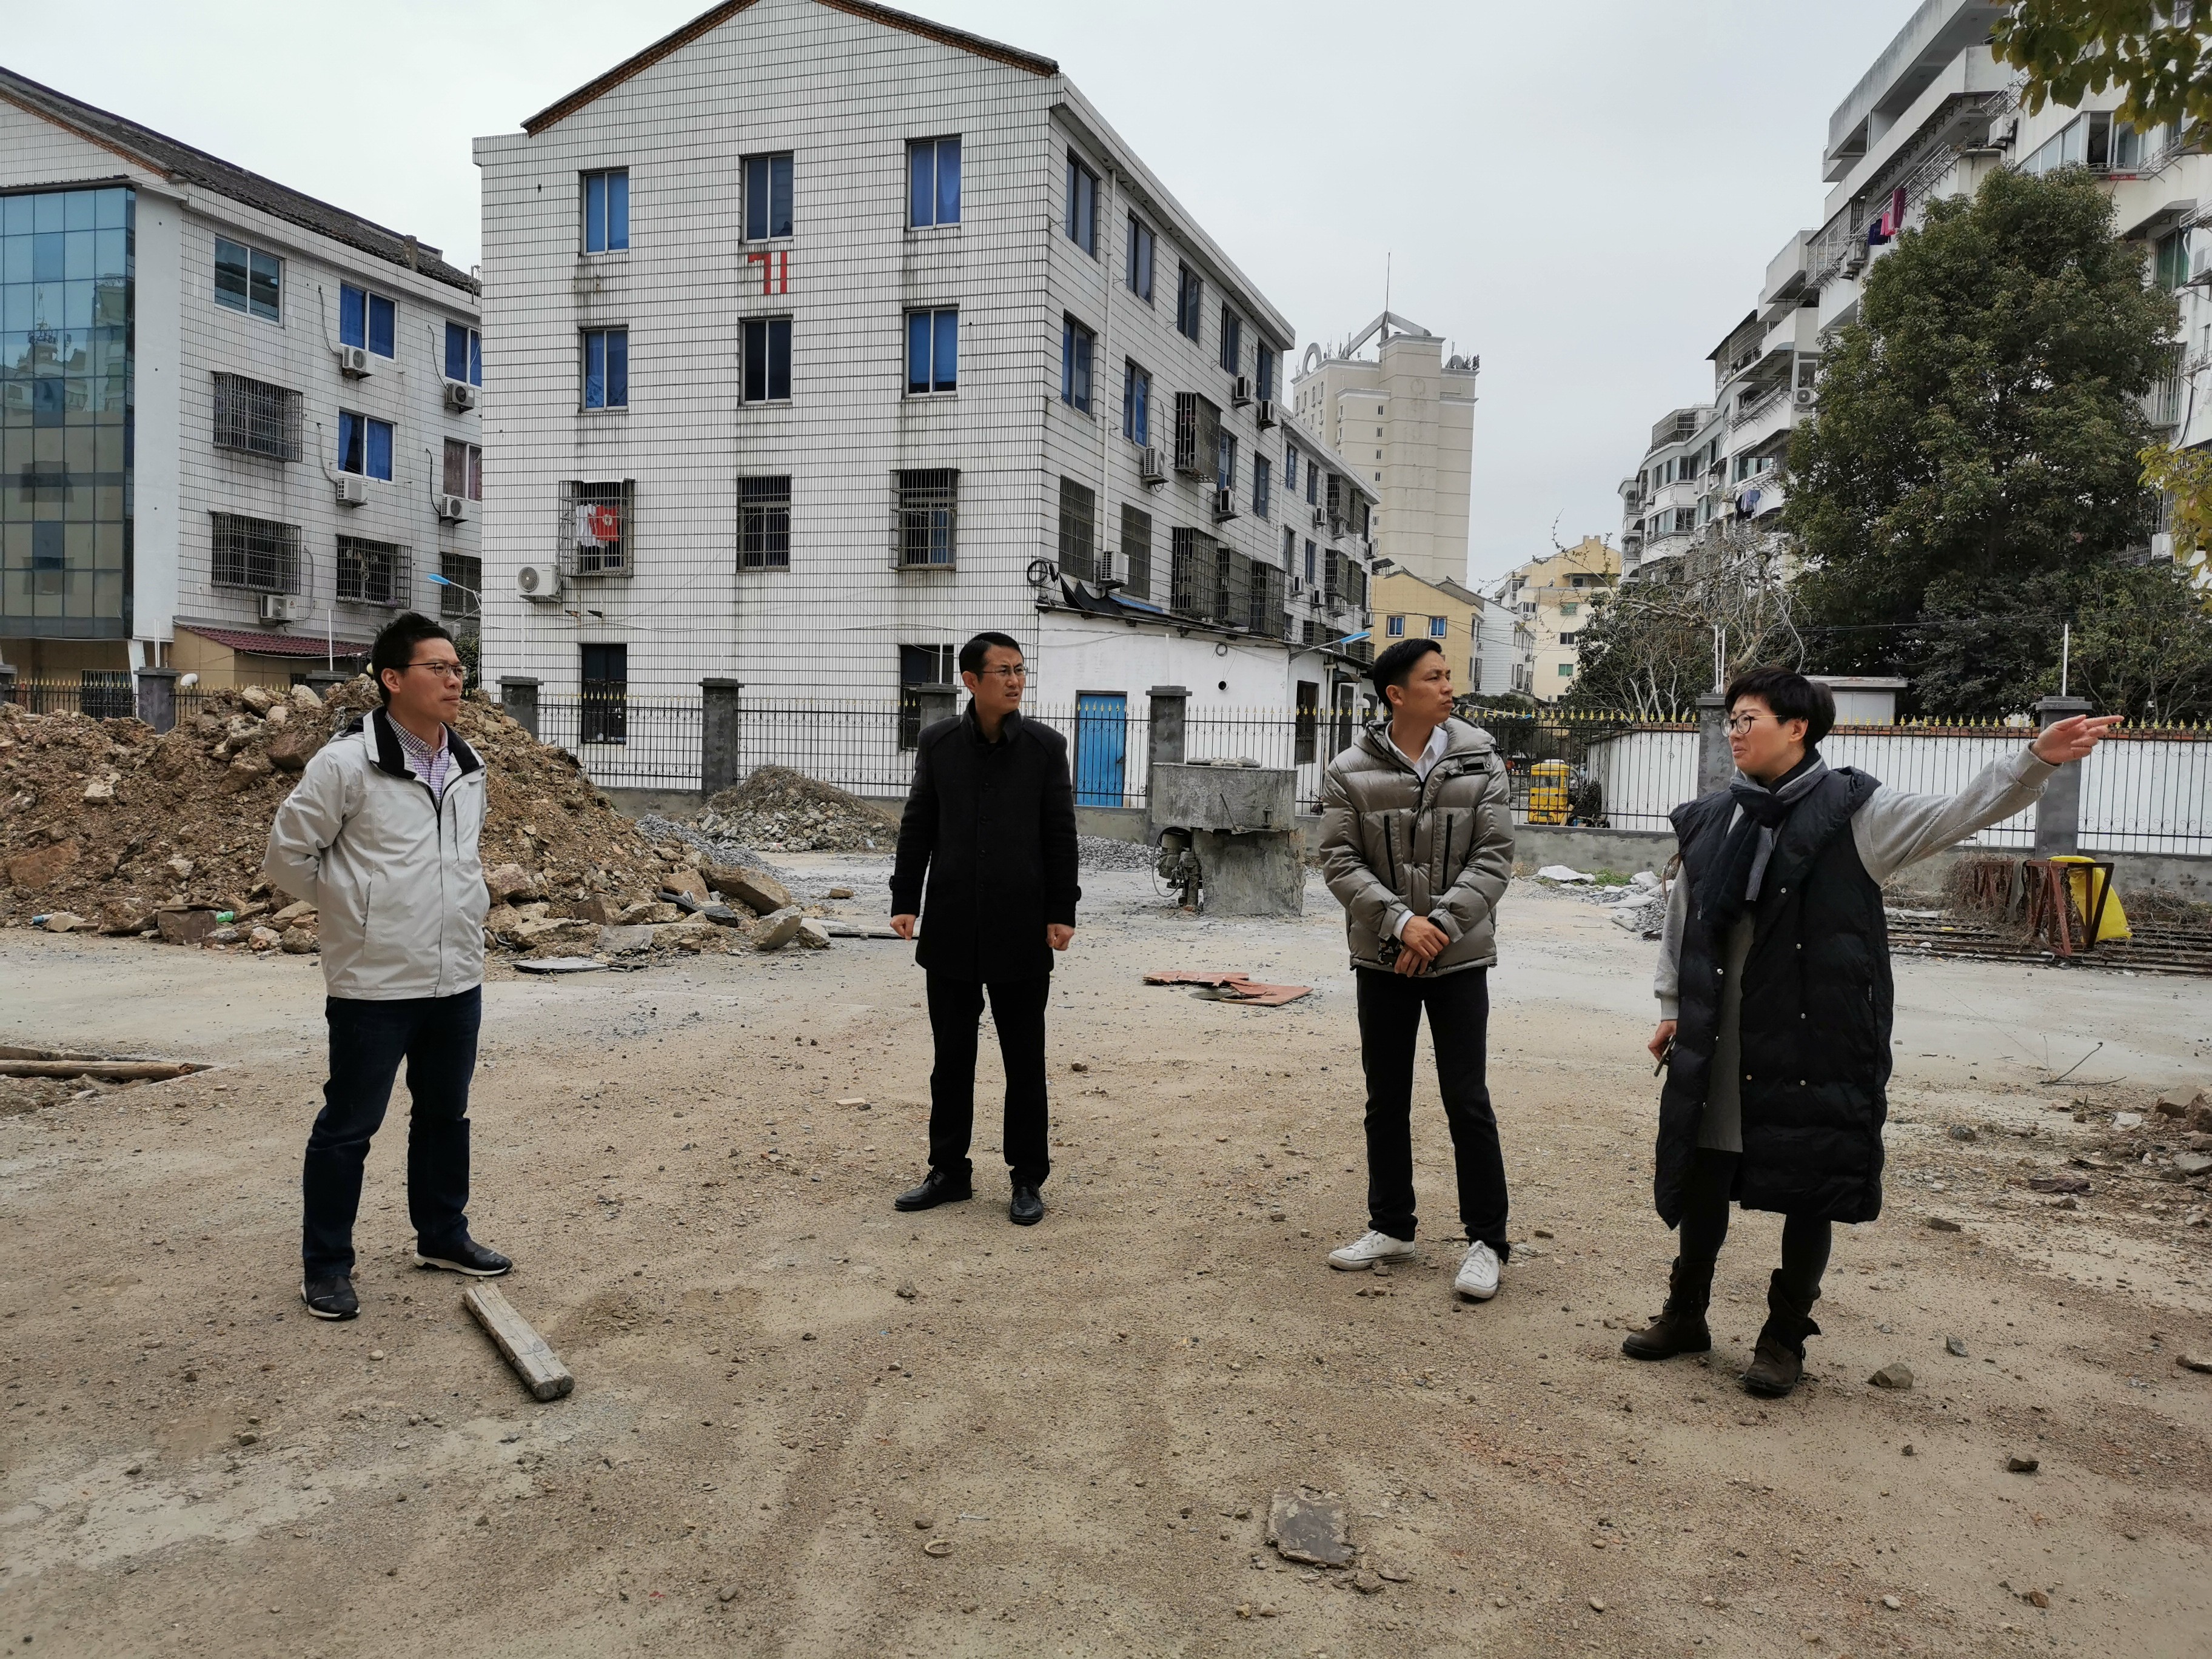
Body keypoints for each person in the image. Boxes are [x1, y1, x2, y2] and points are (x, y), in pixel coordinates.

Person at [1627, 666, 2118, 1395]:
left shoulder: (1857, 813)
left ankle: (1784, 1338)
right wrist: (1672, 1005)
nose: (1733, 732)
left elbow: (1956, 813)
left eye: (1747, 719)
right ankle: (1685, 1314)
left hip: (1814, 1031)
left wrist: (2032, 761)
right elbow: (1684, 921)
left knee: (1810, 1179)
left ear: (1797, 728)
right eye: (1730, 720)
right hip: (1721, 1027)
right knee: (1704, 1168)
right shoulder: (1714, 817)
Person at [264, 613, 508, 1321]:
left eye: (459, 668)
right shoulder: (346, 765)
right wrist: (357, 911)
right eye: (439, 668)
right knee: (349, 1127)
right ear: (393, 679)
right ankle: (326, 1267)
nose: (455, 679)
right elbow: (288, 856)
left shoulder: (467, 765)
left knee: (444, 1115)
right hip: (374, 984)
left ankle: (443, 1236)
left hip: (455, 978)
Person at [1318, 637, 1517, 1300]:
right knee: (1386, 1097)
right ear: (1396, 695)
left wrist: (1438, 930)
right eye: (1434, 678)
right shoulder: (1349, 770)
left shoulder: (1481, 761)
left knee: (1467, 1098)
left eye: (1449, 676)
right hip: (1385, 957)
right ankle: (1391, 1226)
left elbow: (1494, 856)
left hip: (1459, 958)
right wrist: (1403, 924)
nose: (1448, 687)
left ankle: (1487, 1241)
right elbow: (1340, 860)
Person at [889, 632, 1080, 1227]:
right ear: (971, 681)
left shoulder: (1045, 748)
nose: (1016, 681)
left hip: (1021, 926)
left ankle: (1027, 1178)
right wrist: (905, 898)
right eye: (1004, 671)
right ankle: (949, 1171)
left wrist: (1062, 909)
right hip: (951, 924)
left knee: (1024, 1059)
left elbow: (1060, 834)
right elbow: (919, 823)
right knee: (951, 1058)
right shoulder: (939, 743)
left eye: (1021, 670)